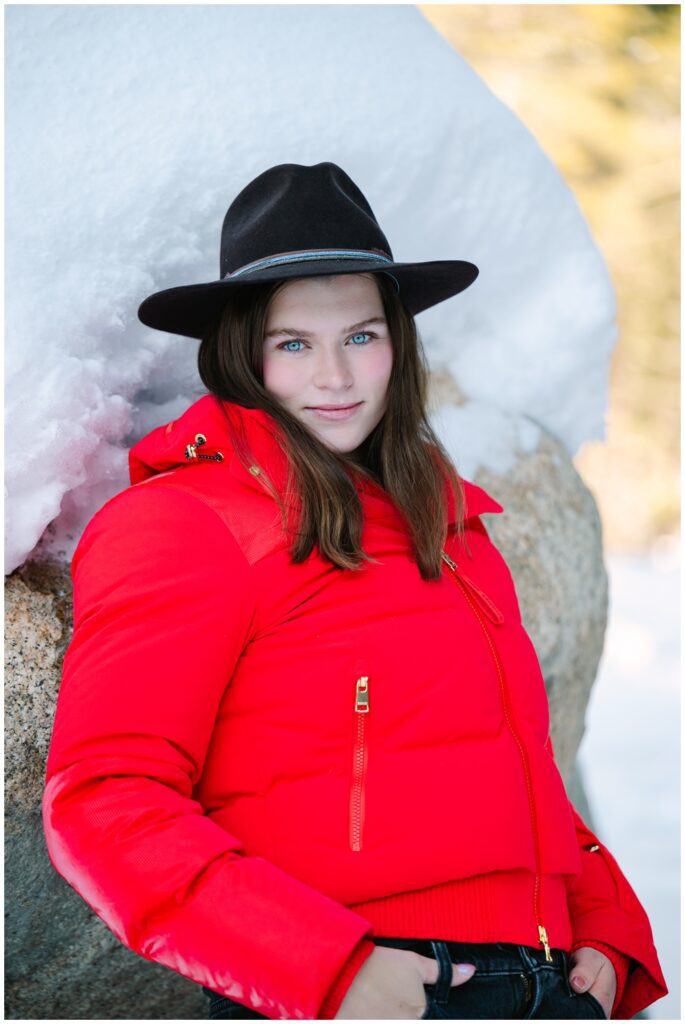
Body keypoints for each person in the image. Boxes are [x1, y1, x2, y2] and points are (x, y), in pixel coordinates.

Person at [42, 162, 667, 1020]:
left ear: (397, 345)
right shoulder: (186, 523)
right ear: (242, 352)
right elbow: (105, 797)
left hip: (545, 982)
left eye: (361, 337)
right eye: (295, 343)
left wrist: (601, 925)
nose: (336, 377)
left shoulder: (450, 531)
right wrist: (327, 971)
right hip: (364, 987)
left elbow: (517, 762)